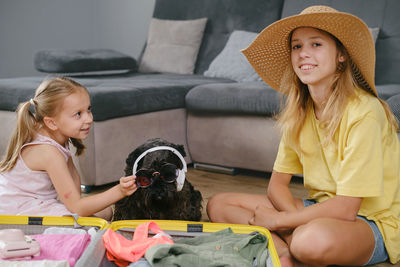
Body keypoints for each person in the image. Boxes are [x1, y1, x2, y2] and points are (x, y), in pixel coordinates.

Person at [207, 5, 400, 267]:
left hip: (371, 222)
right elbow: (276, 185)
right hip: (319, 208)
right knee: (219, 204)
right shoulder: (300, 111)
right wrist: (292, 220)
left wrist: (279, 222)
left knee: (310, 240)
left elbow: (346, 208)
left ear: (341, 54)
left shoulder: (365, 112)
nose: (303, 54)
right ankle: (285, 256)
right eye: (297, 47)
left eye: (316, 44)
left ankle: (285, 245)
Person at [0, 77, 137, 220]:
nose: (89, 119)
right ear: (51, 123)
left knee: (106, 212)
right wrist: (119, 191)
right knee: (89, 221)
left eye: (88, 110)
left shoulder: (55, 136)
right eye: (78, 114)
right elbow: (77, 207)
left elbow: (75, 194)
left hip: (34, 203)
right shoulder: (49, 153)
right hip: (15, 211)